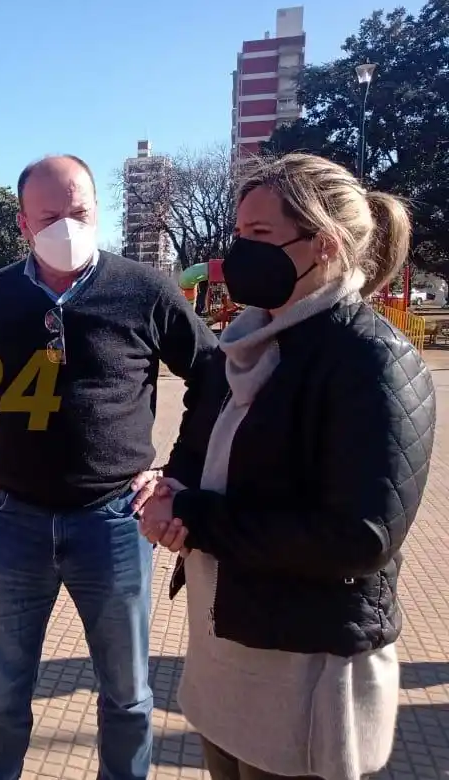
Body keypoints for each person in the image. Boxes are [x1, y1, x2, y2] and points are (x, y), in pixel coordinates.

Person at [139, 153, 436, 780]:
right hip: (226, 650)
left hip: (307, 668)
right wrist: (168, 495)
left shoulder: (371, 362)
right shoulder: (237, 347)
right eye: (238, 234)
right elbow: (196, 452)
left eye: (260, 236)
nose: (238, 251)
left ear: (322, 245)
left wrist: (195, 517)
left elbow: (362, 537)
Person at [0, 154, 218, 780]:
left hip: (114, 522)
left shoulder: (145, 289)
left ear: (97, 211)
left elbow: (213, 376)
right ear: (25, 223)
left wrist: (178, 469)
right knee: (1, 696)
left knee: (127, 698)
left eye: (79, 212)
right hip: (12, 524)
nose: (67, 225)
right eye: (50, 215)